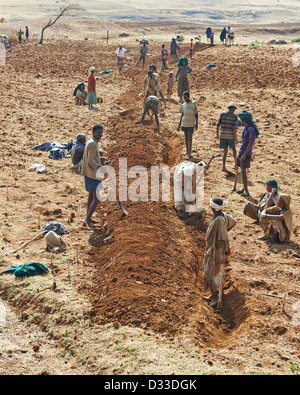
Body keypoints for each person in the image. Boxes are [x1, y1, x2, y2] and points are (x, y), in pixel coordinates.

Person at [203, 197, 237, 308]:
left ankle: (215, 298)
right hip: (212, 249)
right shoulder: (221, 216)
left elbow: (223, 238)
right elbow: (233, 221)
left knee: (211, 274)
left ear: (213, 208)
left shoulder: (219, 221)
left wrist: (223, 253)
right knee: (210, 272)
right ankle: (212, 295)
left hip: (216, 251)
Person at [81, 124, 105, 228]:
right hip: (92, 174)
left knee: (91, 196)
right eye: (99, 132)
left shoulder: (93, 143)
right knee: (97, 198)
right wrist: (100, 166)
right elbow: (91, 161)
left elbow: (93, 157)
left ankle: (88, 218)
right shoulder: (92, 144)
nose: (100, 135)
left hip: (91, 173)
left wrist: (102, 161)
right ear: (93, 132)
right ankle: (87, 220)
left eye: (101, 133)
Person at [236, 110, 259, 196]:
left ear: (244, 120)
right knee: (242, 171)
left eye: (241, 120)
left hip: (245, 153)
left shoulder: (251, 129)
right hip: (242, 151)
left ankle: (246, 191)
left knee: (243, 171)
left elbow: (251, 142)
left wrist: (245, 154)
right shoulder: (246, 128)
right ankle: (244, 188)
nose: (240, 121)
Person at [216, 102, 239, 172]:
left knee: (225, 152)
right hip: (230, 136)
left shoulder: (222, 114)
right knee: (234, 150)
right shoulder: (234, 117)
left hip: (222, 135)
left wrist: (217, 134)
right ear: (234, 109)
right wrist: (236, 138)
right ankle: (236, 164)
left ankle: (223, 167)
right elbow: (234, 129)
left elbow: (218, 125)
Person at [178, 91, 198, 158]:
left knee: (190, 138)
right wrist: (179, 125)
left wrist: (196, 123)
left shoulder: (193, 104)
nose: (185, 99)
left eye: (186, 97)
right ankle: (187, 151)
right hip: (184, 124)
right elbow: (182, 115)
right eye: (184, 97)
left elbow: (196, 114)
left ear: (189, 97)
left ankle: (189, 153)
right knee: (186, 138)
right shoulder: (183, 105)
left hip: (191, 124)